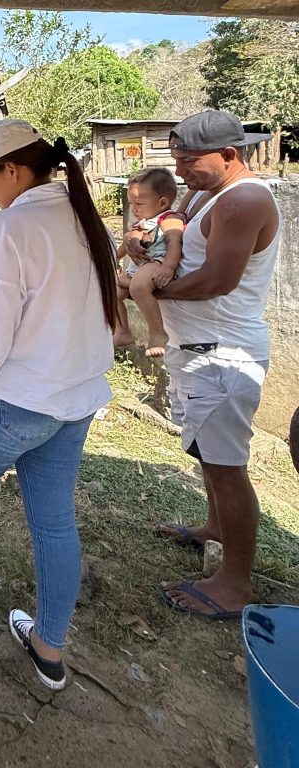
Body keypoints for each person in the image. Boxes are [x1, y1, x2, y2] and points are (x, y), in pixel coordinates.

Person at [0, 120, 118, 691]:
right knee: (54, 520)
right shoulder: (88, 222)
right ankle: (49, 647)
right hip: (74, 401)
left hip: (16, 404)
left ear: (12, 169)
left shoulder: (7, 231)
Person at [132, 110, 280, 621]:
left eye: (189, 161)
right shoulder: (208, 195)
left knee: (227, 467)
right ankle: (214, 528)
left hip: (221, 355)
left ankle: (234, 585)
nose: (180, 171)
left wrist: (154, 288)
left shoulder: (245, 199)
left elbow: (218, 279)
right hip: (197, 351)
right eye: (175, 159)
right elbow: (179, 249)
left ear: (230, 155)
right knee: (205, 452)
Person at [112, 167, 186, 357]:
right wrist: (114, 257)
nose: (134, 208)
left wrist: (168, 267)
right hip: (141, 266)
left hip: (157, 262)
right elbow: (127, 245)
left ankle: (157, 333)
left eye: (139, 203)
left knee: (137, 287)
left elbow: (175, 242)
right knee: (113, 293)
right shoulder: (143, 221)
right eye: (131, 203)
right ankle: (122, 331)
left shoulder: (168, 218)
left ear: (162, 203)